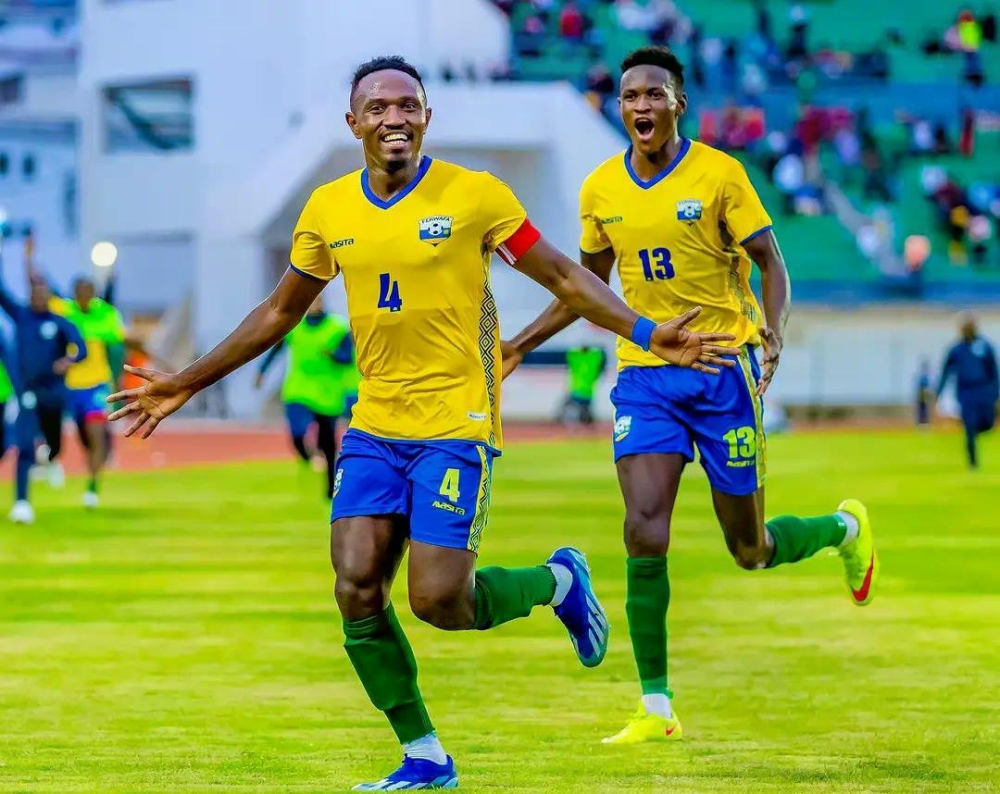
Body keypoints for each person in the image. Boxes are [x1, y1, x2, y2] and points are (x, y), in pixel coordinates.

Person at [106, 55, 740, 791]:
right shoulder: (328, 210)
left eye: (408, 105)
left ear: (427, 117)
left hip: (458, 419)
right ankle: (425, 755)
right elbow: (279, 312)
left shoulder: (475, 197)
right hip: (375, 424)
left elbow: (566, 275)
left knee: (439, 600)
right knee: (354, 587)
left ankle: (557, 583)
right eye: (377, 107)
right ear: (354, 124)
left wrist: (643, 327)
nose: (394, 118)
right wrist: (185, 381)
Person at [501, 45, 879, 745]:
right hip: (645, 376)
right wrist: (520, 345)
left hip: (721, 372)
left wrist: (773, 328)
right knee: (644, 528)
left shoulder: (719, 173)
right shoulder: (600, 190)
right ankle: (654, 705)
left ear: (678, 103)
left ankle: (844, 531)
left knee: (751, 548)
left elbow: (770, 259)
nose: (640, 106)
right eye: (629, 96)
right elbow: (584, 288)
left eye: (653, 94)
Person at [0, 255, 86, 524]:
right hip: (28, 392)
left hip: (54, 393)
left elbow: (80, 348)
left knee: (54, 442)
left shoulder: (60, 322)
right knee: (24, 445)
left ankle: (51, 457)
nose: (38, 298)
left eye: (43, 294)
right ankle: (22, 503)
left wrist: (69, 360)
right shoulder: (21, 315)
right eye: (34, 294)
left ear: (49, 296)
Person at [255, 295, 354, 499]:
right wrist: (261, 371)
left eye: (317, 300)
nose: (313, 304)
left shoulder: (337, 327)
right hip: (298, 389)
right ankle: (308, 456)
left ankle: (330, 489)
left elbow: (348, 358)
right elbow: (276, 350)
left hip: (327, 392)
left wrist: (332, 355)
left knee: (328, 443)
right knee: (298, 431)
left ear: (322, 303)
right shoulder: (294, 325)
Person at [41, 275, 126, 508]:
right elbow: (40, 295)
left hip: (96, 385)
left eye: (89, 292)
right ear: (74, 294)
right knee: (81, 438)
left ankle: (92, 489)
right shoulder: (64, 311)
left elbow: (117, 340)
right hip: (69, 386)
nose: (85, 297)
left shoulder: (106, 314)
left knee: (96, 433)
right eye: (81, 293)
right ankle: (52, 458)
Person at [936, 313, 998, 469]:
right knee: (969, 426)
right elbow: (946, 371)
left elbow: (993, 371)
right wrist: (939, 392)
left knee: (987, 423)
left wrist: (996, 393)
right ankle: (973, 463)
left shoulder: (984, 346)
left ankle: (975, 430)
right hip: (966, 392)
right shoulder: (956, 349)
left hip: (984, 391)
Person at [560, 343, 608, 425]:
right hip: (587, 392)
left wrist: (581, 348)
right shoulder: (593, 360)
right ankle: (587, 423)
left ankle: (581, 422)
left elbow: (570, 353)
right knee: (584, 411)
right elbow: (601, 354)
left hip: (577, 391)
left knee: (568, 407)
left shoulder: (577, 359)